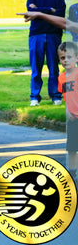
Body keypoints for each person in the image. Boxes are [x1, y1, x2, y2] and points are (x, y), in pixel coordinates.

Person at [26, 0, 66, 107]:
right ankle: (34, 97)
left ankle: (55, 95)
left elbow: (60, 14)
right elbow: (30, 11)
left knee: (53, 66)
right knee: (36, 67)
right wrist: (50, 9)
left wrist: (39, 11)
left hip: (53, 35)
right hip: (36, 35)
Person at [57, 42, 78, 180]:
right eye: (63, 58)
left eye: (69, 57)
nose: (66, 60)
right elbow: (65, 96)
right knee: (71, 147)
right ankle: (72, 172)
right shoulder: (61, 77)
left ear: (76, 58)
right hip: (72, 117)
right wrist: (67, 110)